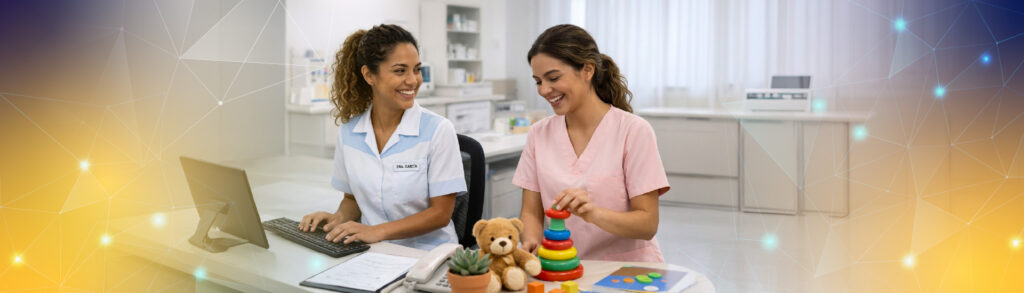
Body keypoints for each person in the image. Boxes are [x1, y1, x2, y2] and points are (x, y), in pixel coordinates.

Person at [298, 24, 466, 251]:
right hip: (371, 253)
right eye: (400, 71)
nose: (413, 80)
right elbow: (353, 198)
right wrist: (338, 219)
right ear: (369, 75)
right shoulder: (349, 133)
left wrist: (377, 231)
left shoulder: (437, 130)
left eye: (416, 69)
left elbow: (440, 214)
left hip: (427, 255)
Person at [514, 24, 670, 262]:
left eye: (553, 77)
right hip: (561, 266)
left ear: (587, 70)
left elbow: (647, 224)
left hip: (625, 270)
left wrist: (593, 213)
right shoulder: (538, 134)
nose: (544, 90)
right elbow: (531, 212)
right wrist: (531, 243)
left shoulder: (633, 131)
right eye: (538, 81)